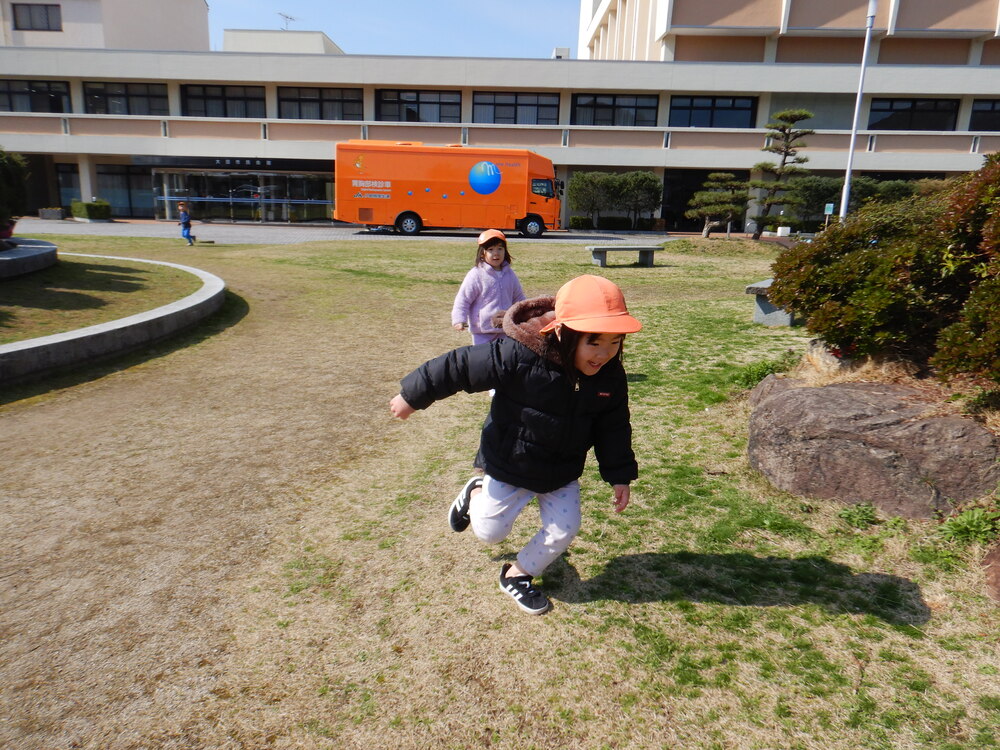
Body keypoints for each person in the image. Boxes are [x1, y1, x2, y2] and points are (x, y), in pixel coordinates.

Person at [389, 274, 642, 615]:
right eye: (594, 342)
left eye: (615, 343)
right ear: (563, 332)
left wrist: (620, 474)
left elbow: (613, 426)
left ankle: (518, 575)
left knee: (565, 529)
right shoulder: (518, 354)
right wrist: (412, 396)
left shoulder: (610, 375)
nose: (604, 354)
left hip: (561, 471)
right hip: (511, 461)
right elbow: (459, 366)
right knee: (490, 533)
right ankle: (475, 491)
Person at [451, 229, 526, 345]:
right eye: (491, 249)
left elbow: (519, 298)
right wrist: (459, 319)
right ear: (482, 253)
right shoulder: (476, 275)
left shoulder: (510, 274)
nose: (496, 253)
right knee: (484, 361)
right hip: (482, 331)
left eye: (500, 249)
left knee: (504, 359)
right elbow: (463, 299)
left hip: (505, 328)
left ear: (505, 252)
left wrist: (526, 315)